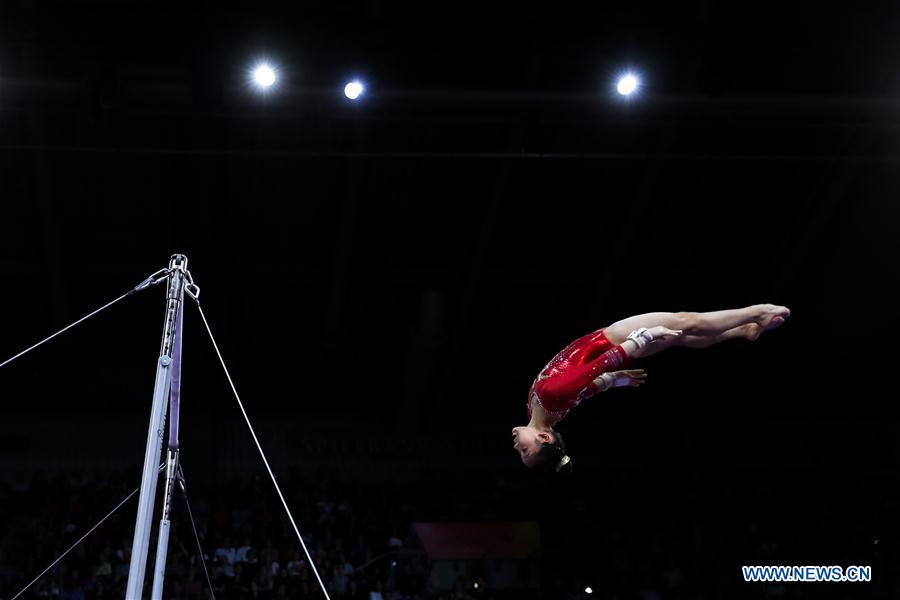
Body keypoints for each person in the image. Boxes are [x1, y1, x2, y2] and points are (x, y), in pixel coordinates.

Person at [513, 304, 790, 472]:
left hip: (620, 343)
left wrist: (614, 381)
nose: (518, 448)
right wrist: (643, 338)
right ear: (545, 439)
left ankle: (742, 332)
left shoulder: (545, 413)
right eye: (526, 451)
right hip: (615, 339)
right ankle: (758, 313)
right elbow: (598, 365)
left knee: (683, 338)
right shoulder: (550, 399)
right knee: (686, 321)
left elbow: (583, 390)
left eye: (521, 453)